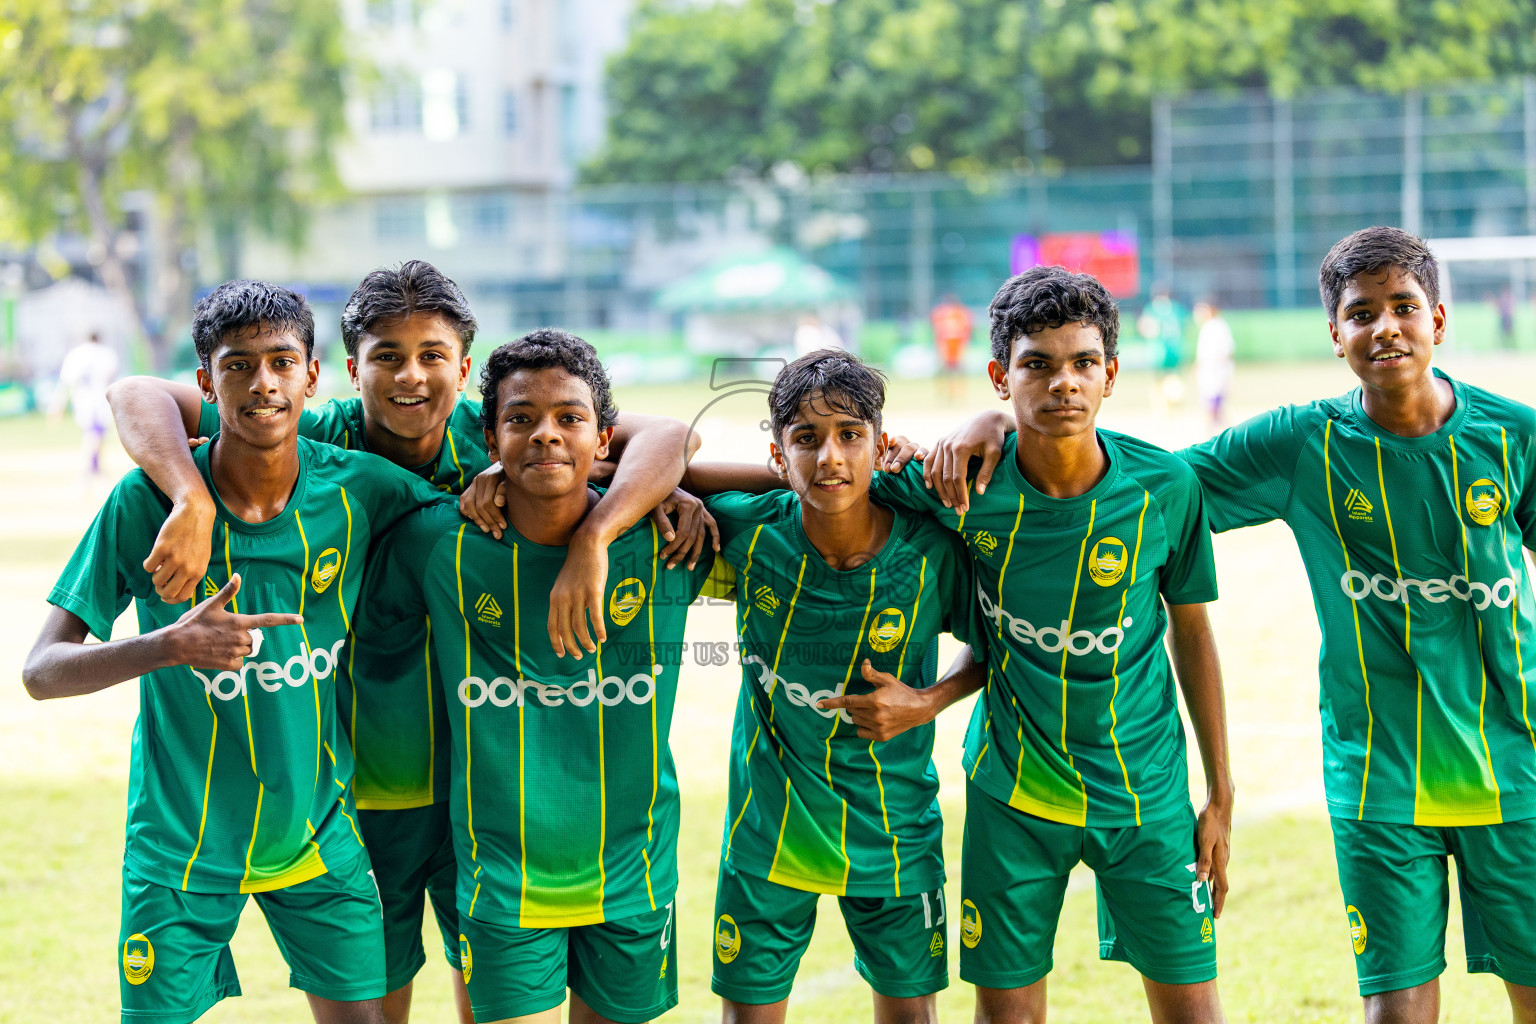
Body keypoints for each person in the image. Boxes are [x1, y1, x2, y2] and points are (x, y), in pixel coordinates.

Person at [908, 228, 1536, 1024]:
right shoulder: (1307, 441)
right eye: (1362, 312)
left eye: (1404, 308)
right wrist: (995, 425)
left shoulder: (1513, 436)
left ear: (1438, 321)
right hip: (1378, 778)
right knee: (1398, 1010)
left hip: (1519, 769)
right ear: (1334, 333)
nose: (1386, 328)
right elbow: (1138, 480)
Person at [105, 261, 705, 1024]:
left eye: (431, 357)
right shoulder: (308, 433)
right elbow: (136, 393)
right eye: (387, 357)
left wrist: (609, 521)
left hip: (480, 792)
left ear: (464, 368)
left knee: (486, 996)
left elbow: (667, 437)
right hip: (359, 792)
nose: (410, 377)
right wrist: (189, 494)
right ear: (349, 370)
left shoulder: (499, 438)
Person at [22, 280, 456, 1024]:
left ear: (313, 376)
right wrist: (165, 645)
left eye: (282, 362)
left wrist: (644, 502)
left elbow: (492, 508)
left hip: (318, 840)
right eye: (238, 366)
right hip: (180, 851)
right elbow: (41, 671)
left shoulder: (361, 489)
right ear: (204, 380)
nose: (263, 384)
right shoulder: (146, 503)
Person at [881, 266, 1234, 1024]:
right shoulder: (960, 484)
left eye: (1081, 364)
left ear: (1111, 372)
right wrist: (661, 493)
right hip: (1013, 792)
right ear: (1000, 376)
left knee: (1194, 1013)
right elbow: (826, 479)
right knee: (1007, 1016)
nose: (1062, 384)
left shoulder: (1165, 487)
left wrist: (1221, 795)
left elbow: (1194, 635)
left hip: (1147, 795)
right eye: (1036, 365)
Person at [370, 329, 722, 1024]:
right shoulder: (435, 543)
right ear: (488, 440)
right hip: (503, 883)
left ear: (606, 439)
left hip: (635, 877)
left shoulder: (672, 540)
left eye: (570, 418)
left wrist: (638, 511)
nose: (545, 436)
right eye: (521, 419)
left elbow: (791, 485)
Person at [677, 349, 987, 1024]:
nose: (831, 458)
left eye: (851, 435)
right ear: (777, 454)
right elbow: (644, 465)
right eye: (807, 439)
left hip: (894, 834)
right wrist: (672, 490)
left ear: (882, 445)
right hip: (768, 835)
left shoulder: (930, 552)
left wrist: (929, 701)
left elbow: (1005, 645)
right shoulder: (749, 532)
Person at [50, 328, 119, 482]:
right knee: (95, 435)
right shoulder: (107, 353)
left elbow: (65, 382)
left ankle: (95, 469)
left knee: (92, 434)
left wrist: (57, 405)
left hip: (83, 400)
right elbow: (112, 378)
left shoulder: (76, 354)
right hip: (100, 400)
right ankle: (89, 471)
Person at [1193, 301, 1235, 432]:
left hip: (1216, 373)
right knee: (1213, 407)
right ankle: (1224, 432)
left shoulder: (1218, 326)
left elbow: (1227, 351)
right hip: (1209, 372)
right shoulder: (1208, 327)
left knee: (1212, 406)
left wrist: (1219, 371)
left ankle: (1213, 434)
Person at [931, 294, 974, 402]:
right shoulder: (941, 313)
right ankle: (947, 393)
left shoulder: (960, 313)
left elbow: (966, 330)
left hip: (956, 346)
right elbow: (937, 331)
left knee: (957, 370)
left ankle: (958, 393)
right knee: (946, 370)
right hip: (947, 346)